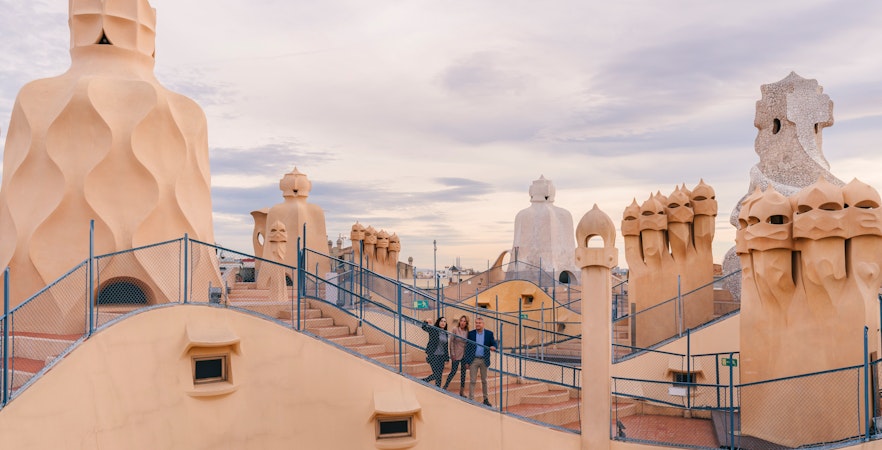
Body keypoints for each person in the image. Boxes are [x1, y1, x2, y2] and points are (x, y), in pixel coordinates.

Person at [463, 316, 497, 406]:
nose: (477, 324)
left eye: (479, 323)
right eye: (476, 323)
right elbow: (468, 348)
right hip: (473, 360)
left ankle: (485, 399)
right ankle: (471, 399)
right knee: (472, 380)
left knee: (484, 381)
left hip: (484, 360)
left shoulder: (489, 334)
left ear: (483, 324)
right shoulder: (471, 334)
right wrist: (467, 361)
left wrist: (494, 347)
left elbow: (494, 343)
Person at [443, 315, 469, 396]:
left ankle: (462, 391)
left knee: (463, 373)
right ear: (459, 321)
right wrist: (452, 354)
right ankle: (445, 386)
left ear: (466, 323)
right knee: (453, 371)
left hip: (464, 355)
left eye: (464, 321)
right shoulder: (455, 329)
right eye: (461, 320)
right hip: (456, 354)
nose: (462, 322)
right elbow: (451, 342)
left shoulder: (468, 332)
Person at [421, 317, 449, 387]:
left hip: (441, 357)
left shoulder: (445, 333)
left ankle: (437, 389)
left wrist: (447, 358)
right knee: (437, 374)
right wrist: (426, 321)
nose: (443, 323)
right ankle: (424, 380)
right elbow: (424, 327)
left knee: (439, 375)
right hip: (433, 355)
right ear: (438, 322)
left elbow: (446, 347)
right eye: (441, 321)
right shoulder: (434, 330)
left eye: (444, 322)